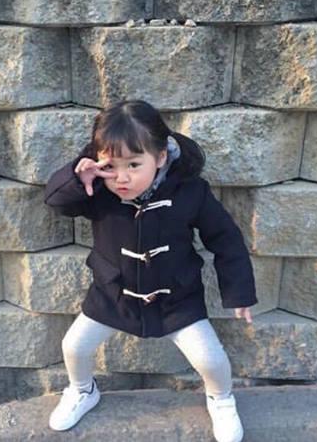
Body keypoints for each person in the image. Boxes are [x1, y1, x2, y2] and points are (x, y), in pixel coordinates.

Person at [43, 100, 255, 442]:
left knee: (211, 360)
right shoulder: (97, 190)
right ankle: (83, 390)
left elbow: (225, 238)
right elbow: (56, 201)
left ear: (160, 157)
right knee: (74, 347)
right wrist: (77, 178)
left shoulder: (191, 191)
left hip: (177, 298)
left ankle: (221, 399)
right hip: (112, 294)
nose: (122, 177)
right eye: (111, 165)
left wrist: (238, 291)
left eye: (134, 164)